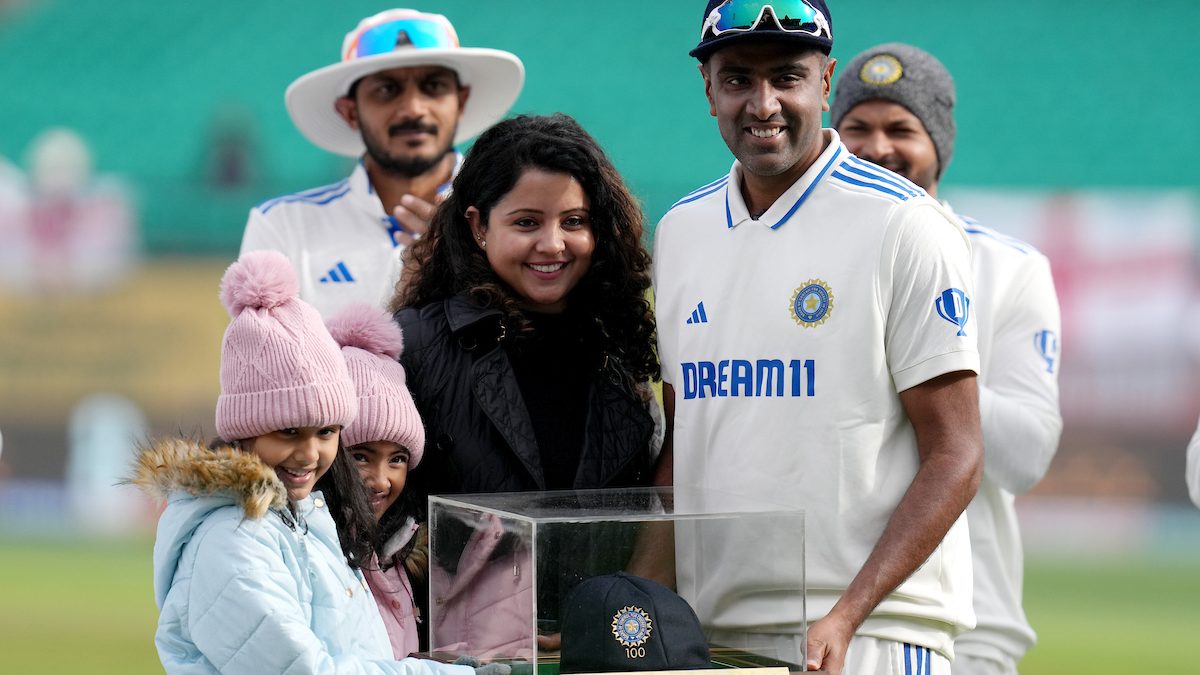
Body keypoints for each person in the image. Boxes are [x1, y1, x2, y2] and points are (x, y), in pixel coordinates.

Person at [652, 3, 984, 674]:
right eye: (738, 79)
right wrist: (640, 598)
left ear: (825, 83)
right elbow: (682, 443)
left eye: (788, 77)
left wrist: (847, 614)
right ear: (708, 90)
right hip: (711, 634)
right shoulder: (680, 229)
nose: (763, 104)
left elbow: (957, 451)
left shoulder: (904, 223)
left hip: (868, 635)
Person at [127, 250, 490, 675]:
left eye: (327, 432)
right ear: (246, 428)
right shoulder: (232, 539)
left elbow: (355, 657)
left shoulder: (305, 522)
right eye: (289, 431)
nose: (310, 454)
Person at [831, 43, 1064, 675]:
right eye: (858, 128)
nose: (877, 147)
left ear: (938, 142)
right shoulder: (805, 263)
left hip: (967, 625)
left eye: (901, 129)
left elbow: (1026, 456)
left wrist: (921, 357)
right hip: (821, 610)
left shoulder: (1008, 268)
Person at [392, 113, 660, 653]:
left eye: (574, 221)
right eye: (526, 223)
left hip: (592, 650)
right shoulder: (412, 345)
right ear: (477, 226)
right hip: (452, 655)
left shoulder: (621, 347)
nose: (553, 244)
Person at [241, 8, 524, 317]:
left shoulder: (510, 214)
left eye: (433, 86)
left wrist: (465, 257)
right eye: (387, 89)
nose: (413, 109)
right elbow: (261, 346)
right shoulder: (284, 225)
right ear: (350, 112)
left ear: (461, 101)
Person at [327, 303, 430, 659]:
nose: (381, 481)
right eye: (360, 456)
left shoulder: (398, 550)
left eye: (397, 459)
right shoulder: (313, 550)